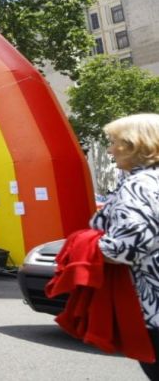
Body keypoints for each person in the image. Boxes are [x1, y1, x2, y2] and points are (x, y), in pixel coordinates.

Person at [89, 114, 159, 379]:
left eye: (114, 142)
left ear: (136, 145)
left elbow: (127, 247)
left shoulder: (137, 185)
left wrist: (82, 248)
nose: (109, 149)